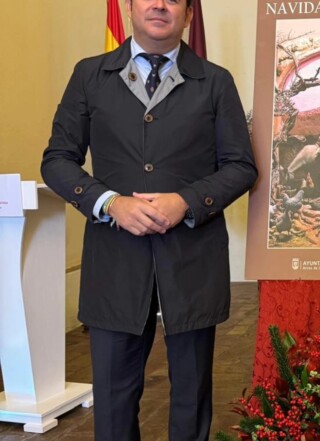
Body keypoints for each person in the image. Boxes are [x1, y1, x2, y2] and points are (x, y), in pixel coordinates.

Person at [40, 0, 257, 440]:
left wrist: (187, 202)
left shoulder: (216, 81)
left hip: (192, 259)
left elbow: (240, 166)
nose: (159, 4)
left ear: (189, 14)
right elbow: (57, 160)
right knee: (114, 400)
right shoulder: (89, 75)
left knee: (191, 396)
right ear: (130, 7)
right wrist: (109, 203)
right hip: (115, 259)